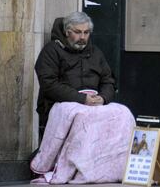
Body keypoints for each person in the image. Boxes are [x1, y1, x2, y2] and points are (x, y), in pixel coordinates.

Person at [31, 12, 136, 184]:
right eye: (78, 32)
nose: (82, 37)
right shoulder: (51, 51)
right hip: (61, 103)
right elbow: (49, 84)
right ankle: (76, 168)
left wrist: (103, 98)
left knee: (123, 113)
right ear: (67, 32)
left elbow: (108, 80)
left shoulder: (95, 52)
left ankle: (115, 168)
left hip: (94, 102)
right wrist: (81, 99)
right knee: (82, 116)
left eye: (86, 33)